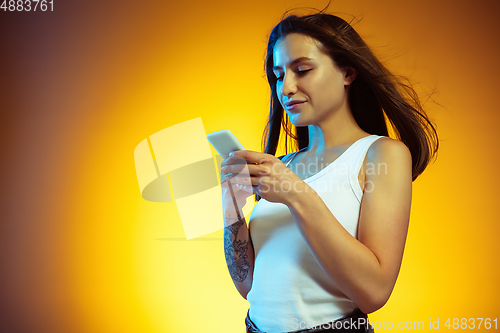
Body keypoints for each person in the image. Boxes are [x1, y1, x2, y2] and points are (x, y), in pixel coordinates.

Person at [220, 11, 438, 333]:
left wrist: (296, 194)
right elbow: (249, 286)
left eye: (302, 69)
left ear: (348, 72)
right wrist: (232, 206)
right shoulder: (284, 166)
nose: (286, 87)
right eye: (279, 75)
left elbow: (374, 292)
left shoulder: (381, 155)